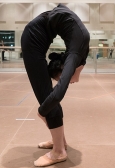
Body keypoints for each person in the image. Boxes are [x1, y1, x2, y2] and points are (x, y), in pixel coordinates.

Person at [21, 4, 90, 167]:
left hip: (38, 33)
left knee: (48, 101)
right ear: (65, 69)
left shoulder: (77, 54)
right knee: (48, 97)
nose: (68, 81)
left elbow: (62, 11)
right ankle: (59, 148)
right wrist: (43, 110)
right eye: (62, 79)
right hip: (31, 39)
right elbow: (58, 93)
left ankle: (59, 147)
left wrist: (42, 110)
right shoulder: (75, 56)